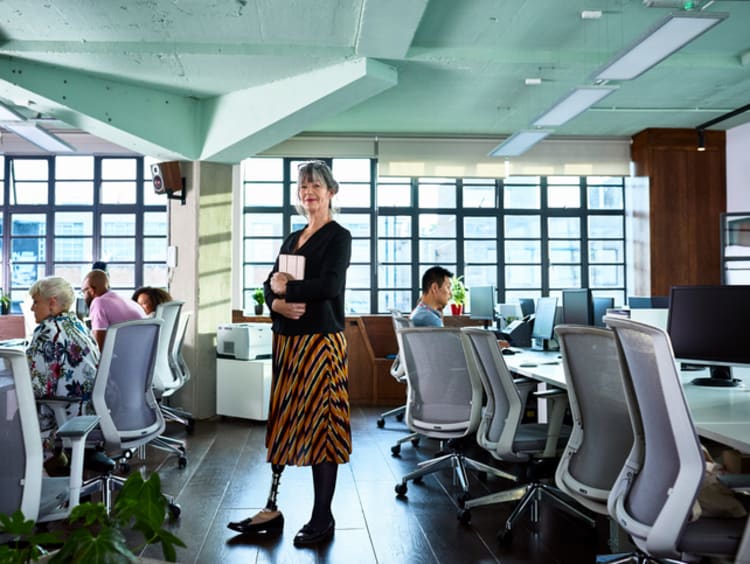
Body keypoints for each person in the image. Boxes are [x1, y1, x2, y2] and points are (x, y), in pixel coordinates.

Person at [227, 160, 352, 547]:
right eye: (302, 187)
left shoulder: (338, 236)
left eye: (315, 186)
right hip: (288, 343)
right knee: (284, 425)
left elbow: (329, 286)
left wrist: (288, 292)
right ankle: (272, 508)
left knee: (323, 428)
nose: (308, 192)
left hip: (320, 345)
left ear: (331, 192)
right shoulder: (292, 238)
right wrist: (275, 304)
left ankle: (322, 516)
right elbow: (270, 282)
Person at [26, 276, 101, 474]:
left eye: (36, 302)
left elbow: (35, 387)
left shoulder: (47, 331)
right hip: (92, 411)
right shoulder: (78, 325)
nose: (32, 308)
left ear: (52, 302)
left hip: (70, 416)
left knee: (14, 413)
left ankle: (34, 484)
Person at [81, 269, 145, 351]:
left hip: (123, 358)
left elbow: (99, 348)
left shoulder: (98, 302)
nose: (84, 296)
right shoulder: (129, 302)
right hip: (140, 356)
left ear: (91, 290)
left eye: (83, 292)